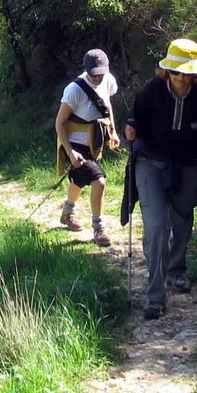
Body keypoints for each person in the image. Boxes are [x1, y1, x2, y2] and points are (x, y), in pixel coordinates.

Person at [124, 38, 197, 320]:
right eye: (176, 71)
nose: (181, 77)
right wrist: (129, 130)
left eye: (186, 72)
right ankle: (155, 295)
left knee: (182, 219)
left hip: (188, 164)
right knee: (156, 227)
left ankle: (177, 270)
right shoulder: (152, 90)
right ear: (167, 70)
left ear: (195, 73)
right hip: (150, 163)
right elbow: (134, 120)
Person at [55, 48, 121, 247]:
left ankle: (68, 212)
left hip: (95, 141)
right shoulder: (73, 90)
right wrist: (70, 152)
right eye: (94, 75)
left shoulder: (108, 80)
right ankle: (98, 227)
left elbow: (106, 106)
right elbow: (59, 123)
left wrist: (113, 131)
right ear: (86, 70)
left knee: (80, 179)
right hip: (75, 142)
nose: (98, 78)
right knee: (98, 181)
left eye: (101, 73)